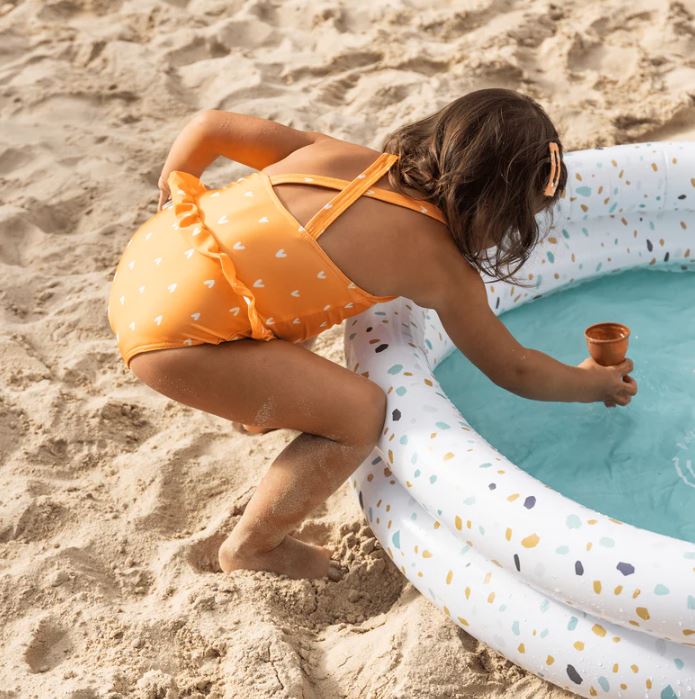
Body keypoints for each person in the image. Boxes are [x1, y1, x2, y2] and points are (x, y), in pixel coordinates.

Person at [106, 88, 638, 581]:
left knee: (285, 288)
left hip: (154, 258)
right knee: (359, 412)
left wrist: (174, 193)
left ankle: (259, 404)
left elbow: (208, 125)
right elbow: (513, 367)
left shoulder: (343, 157)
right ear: (497, 207)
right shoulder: (440, 267)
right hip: (175, 344)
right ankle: (253, 546)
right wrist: (591, 382)